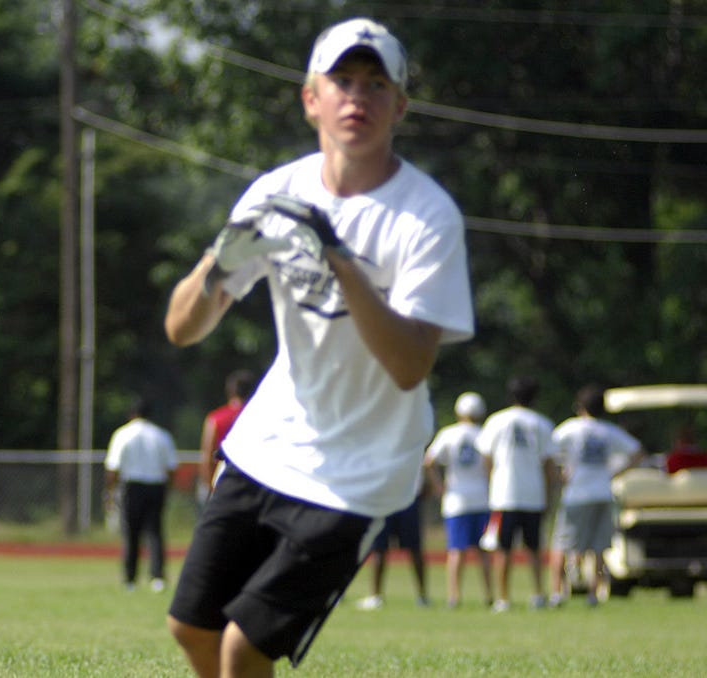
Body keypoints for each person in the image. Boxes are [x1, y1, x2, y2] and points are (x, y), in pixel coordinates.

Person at [162, 17, 473, 676]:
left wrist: (339, 259)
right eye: (342, 81)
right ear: (311, 99)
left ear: (399, 106)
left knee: (245, 647)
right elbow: (182, 329)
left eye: (375, 84)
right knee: (192, 628)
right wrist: (219, 262)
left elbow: (411, 365)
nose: (357, 98)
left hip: (361, 472)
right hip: (269, 444)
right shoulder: (276, 195)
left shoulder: (427, 215)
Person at [547, 385, 643, 607]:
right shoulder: (608, 431)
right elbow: (637, 452)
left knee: (562, 544)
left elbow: (549, 450)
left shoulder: (571, 428)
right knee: (598, 548)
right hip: (602, 492)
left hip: (577, 493)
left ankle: (556, 592)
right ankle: (594, 593)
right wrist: (614, 473)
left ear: (580, 406)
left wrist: (559, 475)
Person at [475, 376, 559, 612]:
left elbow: (486, 458)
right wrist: (550, 492)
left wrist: (492, 481)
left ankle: (503, 598)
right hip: (533, 494)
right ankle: (538, 595)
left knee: (503, 549)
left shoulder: (496, 420)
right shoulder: (542, 423)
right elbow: (548, 465)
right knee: (534, 548)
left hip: (504, 494)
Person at [423, 391, 493, 609]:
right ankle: (490, 596)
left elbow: (429, 461)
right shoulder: (485, 433)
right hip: (482, 498)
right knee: (484, 551)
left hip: (456, 499)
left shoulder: (449, 433)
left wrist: (438, 486)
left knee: (456, 550)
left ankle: (454, 597)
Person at [104, 397, 180, 592]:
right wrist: (168, 489)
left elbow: (113, 467)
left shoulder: (123, 434)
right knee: (155, 532)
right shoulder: (161, 435)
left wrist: (110, 491)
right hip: (156, 485)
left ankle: (130, 579)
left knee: (131, 532)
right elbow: (171, 467)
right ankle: (157, 577)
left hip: (132, 486)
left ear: (131, 413)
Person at [353, 475, 430, 610]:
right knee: (380, 548)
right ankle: (376, 596)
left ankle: (422, 596)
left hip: (401, 496)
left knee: (413, 547)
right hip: (391, 496)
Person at [197, 369, 256, 506]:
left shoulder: (216, 419)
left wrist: (209, 485)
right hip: (254, 484)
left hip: (224, 483)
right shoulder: (260, 419)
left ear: (230, 391)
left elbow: (208, 456)